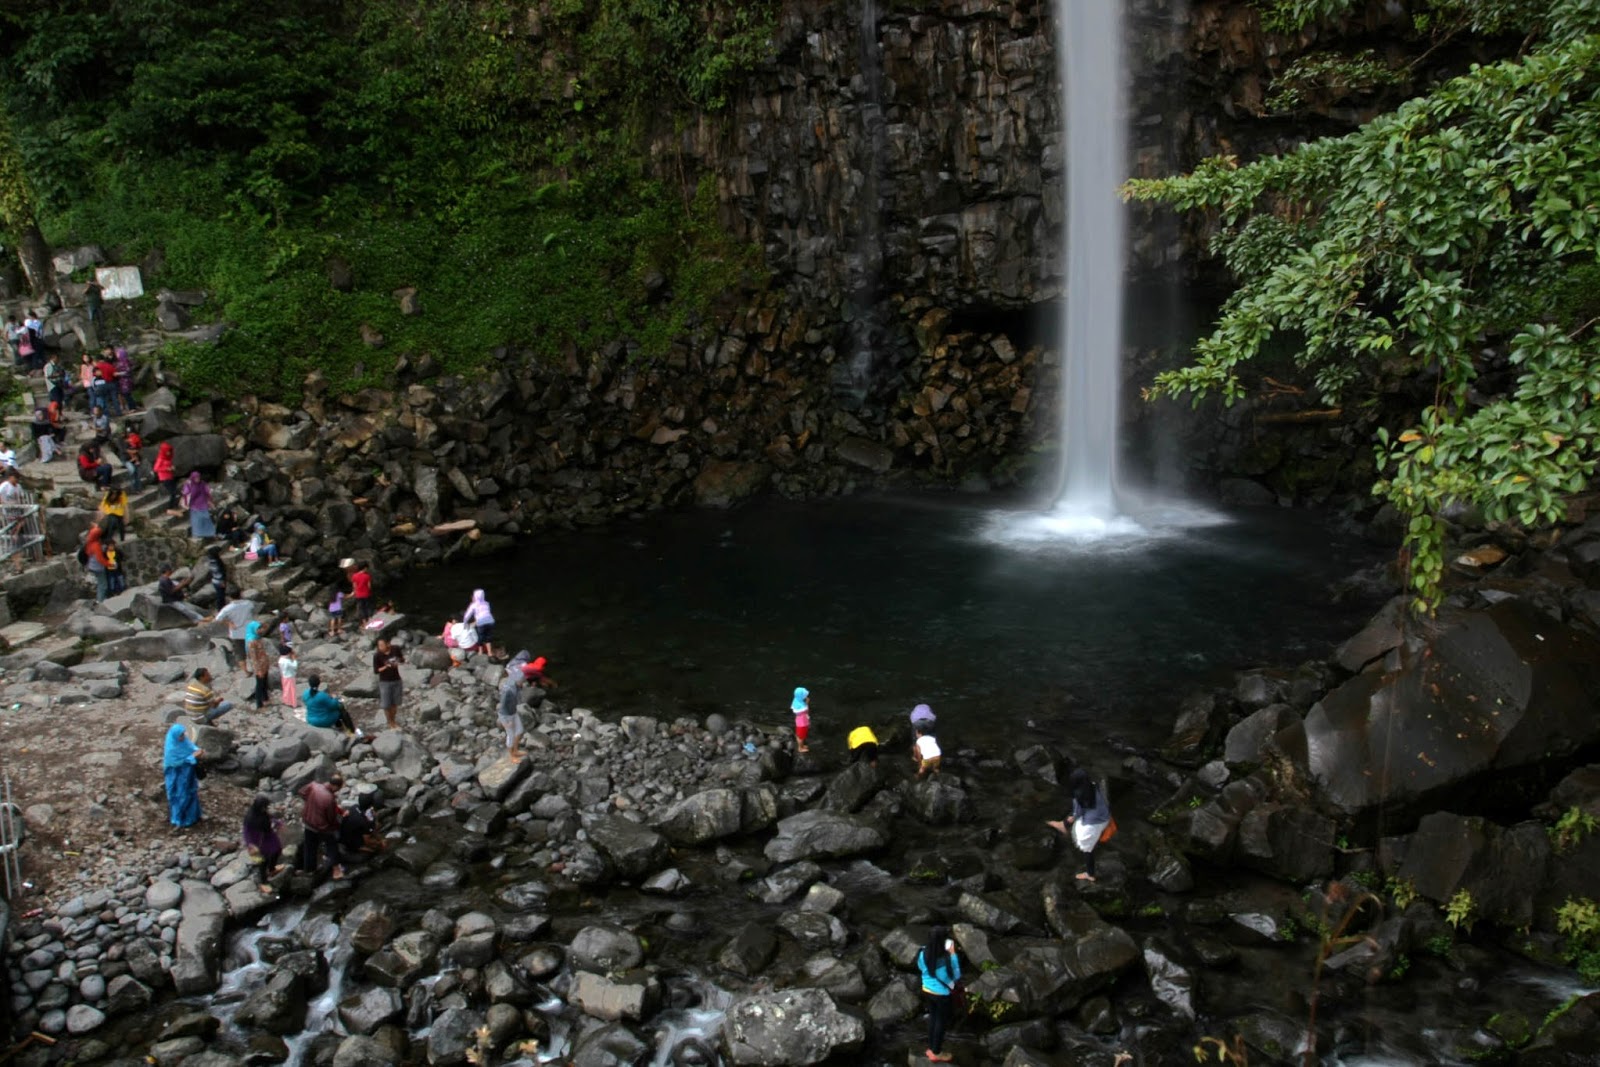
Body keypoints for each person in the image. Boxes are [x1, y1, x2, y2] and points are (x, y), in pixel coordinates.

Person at [1047, 768, 1113, 882]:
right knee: (1080, 826)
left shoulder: (1078, 794)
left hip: (1093, 824)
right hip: (1105, 817)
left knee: (1086, 847)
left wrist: (1066, 822)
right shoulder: (1093, 785)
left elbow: (1076, 814)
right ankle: (1064, 826)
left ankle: (1090, 874)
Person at [917, 925, 961, 1063]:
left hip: (927, 990)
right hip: (942, 994)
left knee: (933, 1018)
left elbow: (920, 967)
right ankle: (936, 1052)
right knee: (940, 1022)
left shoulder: (923, 952)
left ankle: (931, 1048)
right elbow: (956, 975)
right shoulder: (945, 958)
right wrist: (953, 954)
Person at [298, 773, 345, 880]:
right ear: (336, 786)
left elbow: (301, 792)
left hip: (308, 822)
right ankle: (336, 869)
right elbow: (331, 818)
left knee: (309, 847)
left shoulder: (313, 785)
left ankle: (309, 870)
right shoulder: (329, 799)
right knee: (331, 844)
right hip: (321, 827)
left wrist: (310, 802)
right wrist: (336, 827)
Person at [163, 723, 203, 830]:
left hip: (186, 772)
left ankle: (191, 817)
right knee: (176, 794)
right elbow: (174, 762)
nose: (182, 737)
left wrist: (195, 753)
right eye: (180, 736)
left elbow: (193, 748)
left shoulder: (184, 741)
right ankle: (179, 819)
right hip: (175, 773)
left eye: (183, 735)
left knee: (188, 792)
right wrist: (190, 757)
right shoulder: (171, 747)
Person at [241, 795, 284, 894]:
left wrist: (276, 822)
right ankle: (263, 882)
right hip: (255, 841)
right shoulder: (252, 818)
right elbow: (250, 831)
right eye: (265, 806)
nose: (266, 808)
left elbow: (268, 819)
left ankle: (272, 869)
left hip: (265, 836)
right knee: (261, 861)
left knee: (277, 850)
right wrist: (250, 845)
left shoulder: (259, 812)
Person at [207, 593, 256, 671]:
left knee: (240, 653)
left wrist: (229, 623)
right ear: (241, 594)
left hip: (236, 633)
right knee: (253, 650)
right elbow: (254, 610)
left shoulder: (228, 608)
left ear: (229, 597)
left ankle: (246, 672)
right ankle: (255, 668)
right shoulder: (248, 603)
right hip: (249, 631)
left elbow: (217, 619)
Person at [338, 791, 384, 856]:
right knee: (373, 850)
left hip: (344, 833)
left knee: (370, 827)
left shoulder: (354, 807)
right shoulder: (366, 821)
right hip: (350, 841)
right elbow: (367, 841)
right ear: (371, 805)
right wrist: (379, 843)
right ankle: (357, 848)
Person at [373, 637, 404, 730]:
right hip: (384, 681)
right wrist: (386, 666)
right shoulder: (377, 655)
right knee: (386, 704)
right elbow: (376, 670)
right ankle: (390, 723)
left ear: (388, 644)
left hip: (396, 679)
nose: (381, 647)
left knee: (395, 703)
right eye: (379, 646)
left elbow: (402, 659)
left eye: (382, 645)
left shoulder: (395, 649)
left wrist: (397, 662)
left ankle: (393, 720)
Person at [497, 669, 527, 763]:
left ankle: (516, 750)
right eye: (522, 680)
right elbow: (502, 707)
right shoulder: (507, 691)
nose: (523, 682)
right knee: (510, 735)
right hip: (506, 715)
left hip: (513, 712)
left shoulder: (516, 686)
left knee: (520, 730)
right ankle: (512, 756)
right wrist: (506, 722)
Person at [461, 588, 498, 658]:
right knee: (488, 636)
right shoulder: (487, 603)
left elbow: (467, 615)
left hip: (481, 622)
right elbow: (487, 613)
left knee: (480, 637)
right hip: (490, 621)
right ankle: (489, 652)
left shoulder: (474, 605)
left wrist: (465, 623)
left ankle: (480, 651)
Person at [180, 471, 215, 539]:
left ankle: (209, 533)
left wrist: (209, 497)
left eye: (198, 477)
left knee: (206, 517)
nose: (197, 479)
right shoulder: (189, 484)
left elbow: (207, 490)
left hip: (203, 503)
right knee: (196, 520)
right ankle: (197, 533)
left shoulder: (202, 483)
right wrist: (186, 502)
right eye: (196, 477)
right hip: (194, 504)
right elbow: (186, 493)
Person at [83, 520, 111, 602]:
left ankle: (101, 599)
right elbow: (100, 559)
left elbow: (95, 531)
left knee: (100, 582)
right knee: (103, 584)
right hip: (98, 567)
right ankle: (100, 600)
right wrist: (109, 564)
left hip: (92, 566)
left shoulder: (90, 543)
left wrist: (95, 525)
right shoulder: (96, 546)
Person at [247, 621, 271, 709]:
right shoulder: (252, 642)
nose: (260, 630)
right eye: (258, 629)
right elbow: (254, 658)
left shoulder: (258, 638)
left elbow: (267, 626)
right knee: (259, 685)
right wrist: (258, 670)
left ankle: (266, 699)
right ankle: (259, 704)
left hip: (264, 664)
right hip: (259, 667)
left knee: (265, 683)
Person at [346, 559, 374, 626]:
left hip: (358, 595)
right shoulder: (367, 576)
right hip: (367, 594)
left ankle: (364, 622)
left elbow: (354, 586)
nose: (367, 569)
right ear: (365, 568)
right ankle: (370, 620)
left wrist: (353, 593)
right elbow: (369, 586)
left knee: (361, 608)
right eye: (367, 568)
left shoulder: (354, 576)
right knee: (368, 607)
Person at [155, 441, 178, 512]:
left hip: (170, 476)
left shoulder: (168, 458)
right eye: (167, 451)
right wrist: (166, 469)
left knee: (175, 491)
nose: (169, 453)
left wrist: (172, 467)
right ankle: (170, 507)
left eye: (169, 451)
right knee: (172, 492)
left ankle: (173, 505)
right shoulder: (160, 459)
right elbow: (156, 468)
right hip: (164, 478)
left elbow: (169, 464)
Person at [122, 424, 143, 490]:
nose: (130, 434)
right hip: (127, 459)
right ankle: (134, 488)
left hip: (135, 458)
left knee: (137, 474)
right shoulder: (125, 442)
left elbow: (137, 448)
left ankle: (138, 489)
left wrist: (135, 456)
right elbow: (126, 451)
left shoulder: (135, 438)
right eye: (129, 433)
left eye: (131, 433)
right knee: (133, 471)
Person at [791, 686, 811, 754]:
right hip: (802, 723)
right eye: (805, 695)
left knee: (799, 735)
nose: (806, 696)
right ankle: (800, 748)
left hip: (799, 721)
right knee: (801, 737)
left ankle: (801, 745)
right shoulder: (802, 707)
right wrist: (807, 703)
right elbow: (806, 710)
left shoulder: (796, 700)